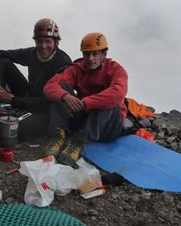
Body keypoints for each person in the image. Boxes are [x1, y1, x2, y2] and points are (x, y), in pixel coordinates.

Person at [0, 18, 72, 140]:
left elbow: (50, 102)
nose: (43, 46)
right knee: (3, 62)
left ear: (56, 42)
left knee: (16, 129)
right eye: (39, 41)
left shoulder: (63, 64)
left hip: (46, 109)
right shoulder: (33, 54)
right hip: (29, 96)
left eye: (47, 41)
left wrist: (12, 100)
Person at [43, 32, 128, 166]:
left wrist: (85, 103)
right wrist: (65, 97)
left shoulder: (116, 70)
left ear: (104, 54)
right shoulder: (77, 69)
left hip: (108, 126)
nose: (90, 59)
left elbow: (117, 94)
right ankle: (58, 134)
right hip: (85, 119)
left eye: (95, 54)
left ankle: (78, 142)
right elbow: (50, 86)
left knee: (110, 101)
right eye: (86, 54)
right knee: (60, 88)